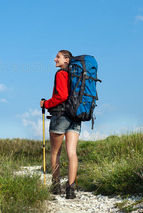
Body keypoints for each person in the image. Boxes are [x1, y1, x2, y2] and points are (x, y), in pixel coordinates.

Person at [40, 50, 81, 199]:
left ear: (67, 59)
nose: (54, 59)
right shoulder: (78, 76)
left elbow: (62, 95)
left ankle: (56, 186)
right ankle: (70, 189)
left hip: (61, 116)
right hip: (76, 117)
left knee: (55, 152)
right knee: (72, 152)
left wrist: (46, 104)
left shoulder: (61, 74)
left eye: (58, 57)